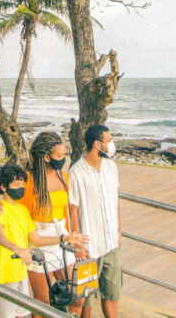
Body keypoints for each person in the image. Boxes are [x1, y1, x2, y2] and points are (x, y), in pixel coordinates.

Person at [0, 132, 86, 316]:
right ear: (46, 157)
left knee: (77, 294)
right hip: (39, 239)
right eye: (59, 156)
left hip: (62, 238)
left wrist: (74, 238)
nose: (63, 159)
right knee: (43, 301)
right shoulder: (28, 180)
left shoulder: (63, 178)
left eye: (64, 155)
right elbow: (12, 204)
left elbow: (70, 209)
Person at [69, 124, 121, 318]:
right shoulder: (76, 172)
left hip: (111, 242)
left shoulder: (111, 167)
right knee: (85, 298)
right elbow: (73, 210)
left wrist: (119, 231)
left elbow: (115, 201)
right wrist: (78, 245)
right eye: (109, 141)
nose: (112, 145)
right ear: (98, 144)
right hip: (89, 247)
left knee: (112, 292)